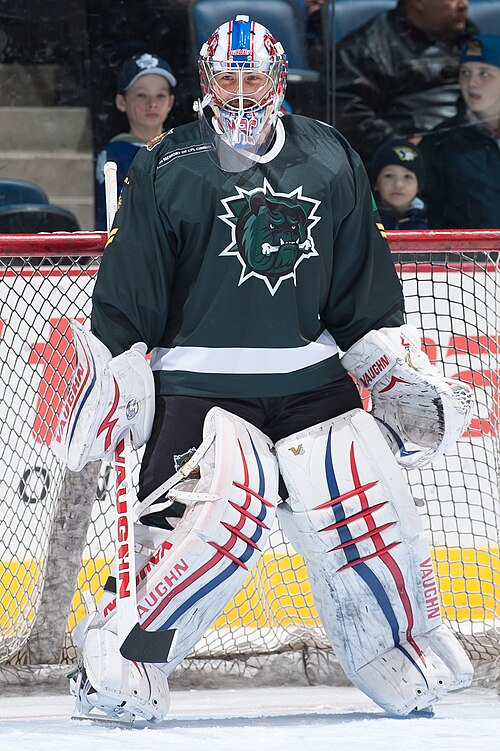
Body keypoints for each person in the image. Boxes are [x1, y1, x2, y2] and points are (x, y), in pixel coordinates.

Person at [54, 15, 474, 724]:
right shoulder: (168, 163)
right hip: (198, 387)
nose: (241, 93)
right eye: (227, 78)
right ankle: (124, 658)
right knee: (203, 531)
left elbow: (356, 293)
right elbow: (129, 292)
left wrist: (385, 364)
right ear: (206, 83)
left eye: (254, 78)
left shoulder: (329, 154)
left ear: (279, 81)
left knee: (366, 506)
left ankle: (392, 646)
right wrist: (121, 366)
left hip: (312, 384)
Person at [335, 0, 478, 165]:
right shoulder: (366, 47)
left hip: (473, 144)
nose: (463, 4)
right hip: (414, 160)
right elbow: (349, 113)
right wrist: (401, 146)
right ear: (419, 3)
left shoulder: (469, 39)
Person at [419, 34, 500, 229]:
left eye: (484, 73)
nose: (471, 82)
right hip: (468, 258)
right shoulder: (438, 142)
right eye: (465, 72)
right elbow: (428, 217)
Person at [94, 52, 176, 230]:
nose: (152, 103)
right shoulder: (114, 153)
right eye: (141, 95)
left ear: (170, 102)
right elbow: (115, 213)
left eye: (160, 95)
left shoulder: (182, 149)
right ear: (121, 102)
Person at [370, 138, 429, 230]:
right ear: (376, 183)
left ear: (418, 186)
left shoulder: (429, 223)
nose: (398, 184)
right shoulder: (364, 223)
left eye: (407, 177)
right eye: (389, 176)